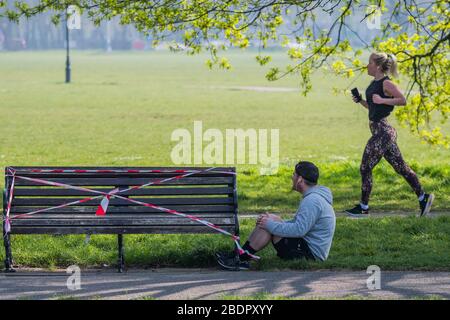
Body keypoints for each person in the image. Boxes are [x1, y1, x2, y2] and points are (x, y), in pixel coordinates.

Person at [345, 52, 434, 217]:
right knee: (401, 168)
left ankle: (363, 207)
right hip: (381, 131)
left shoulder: (386, 83)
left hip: (383, 132)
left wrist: (383, 100)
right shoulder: (374, 84)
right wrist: (360, 101)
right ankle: (423, 198)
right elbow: (373, 108)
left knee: (365, 167)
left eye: (369, 62)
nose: (367, 65)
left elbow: (403, 100)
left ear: (377, 66)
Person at [216, 161, 336, 270]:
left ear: (300, 179)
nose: (292, 177)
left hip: (310, 255)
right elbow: (299, 224)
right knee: (271, 219)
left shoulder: (312, 200)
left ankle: (240, 258)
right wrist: (272, 221)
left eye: (294, 174)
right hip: (306, 246)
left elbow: (299, 230)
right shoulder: (313, 197)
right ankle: (239, 254)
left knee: (268, 225)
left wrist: (269, 225)